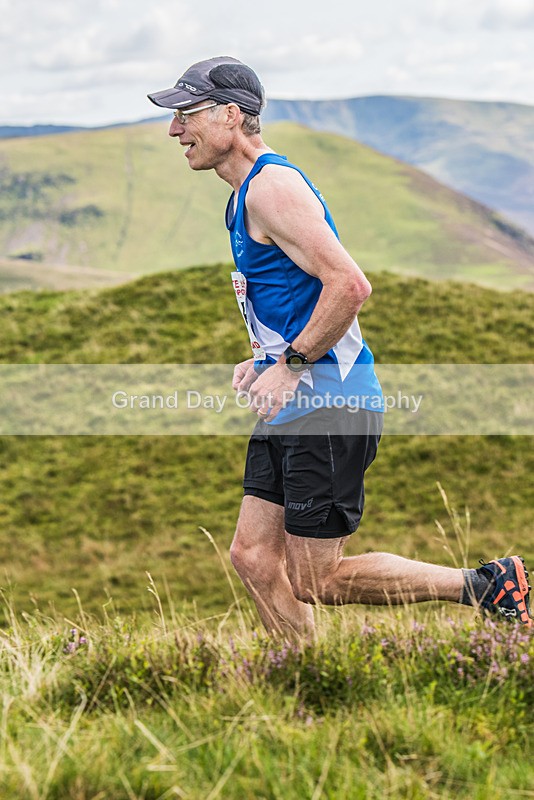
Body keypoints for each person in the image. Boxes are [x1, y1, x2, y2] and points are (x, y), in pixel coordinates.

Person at [148, 56, 532, 637]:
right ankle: (306, 675)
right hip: (296, 402)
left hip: (331, 403)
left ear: (231, 114)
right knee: (252, 557)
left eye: (186, 114)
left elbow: (349, 285)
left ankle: (487, 585)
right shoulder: (242, 196)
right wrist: (267, 357)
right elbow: (293, 294)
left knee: (317, 580)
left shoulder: (271, 188)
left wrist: (294, 363)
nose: (175, 130)